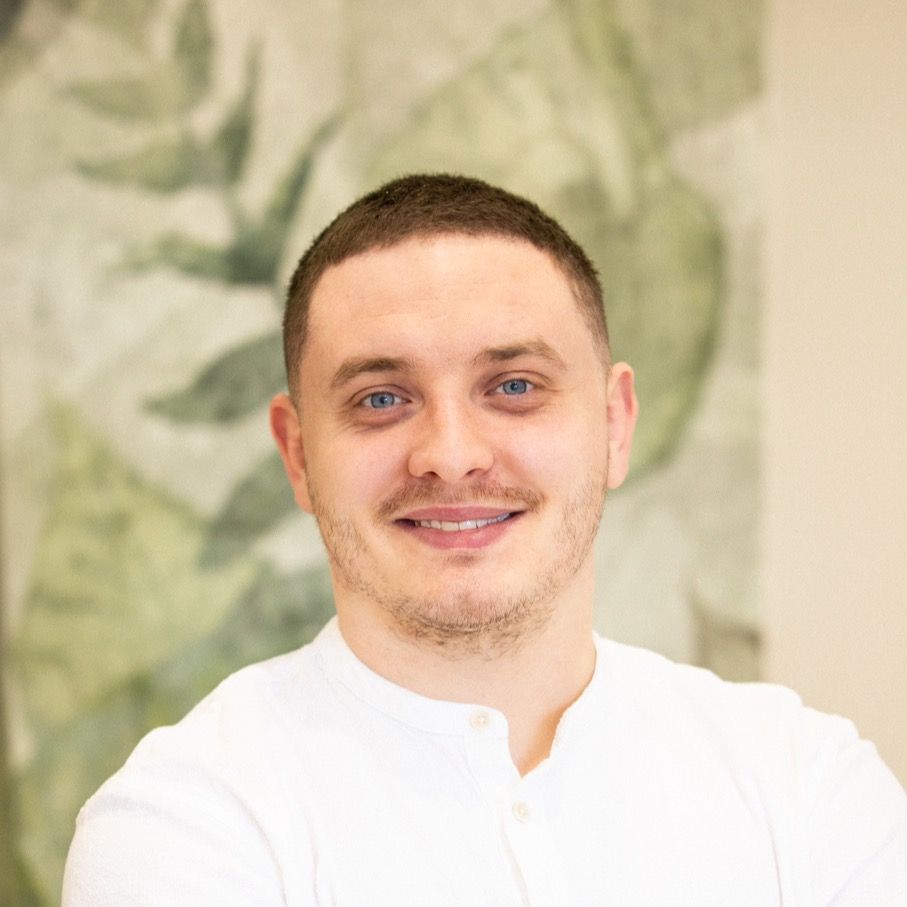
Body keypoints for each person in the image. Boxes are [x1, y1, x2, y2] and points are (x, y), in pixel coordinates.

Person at [64, 174, 907, 905]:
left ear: (614, 425)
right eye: (381, 398)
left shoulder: (806, 786)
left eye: (513, 386)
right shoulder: (185, 820)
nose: (450, 454)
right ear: (298, 455)